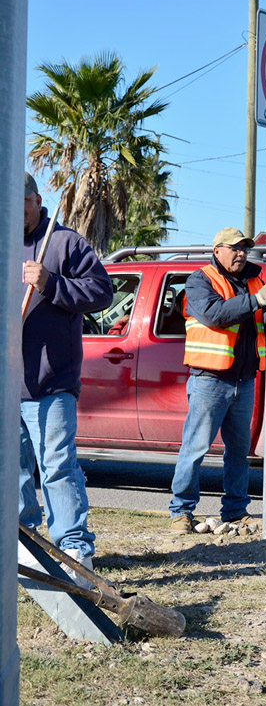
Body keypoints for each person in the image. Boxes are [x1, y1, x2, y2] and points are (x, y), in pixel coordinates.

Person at [21, 172, 113, 582]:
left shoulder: (64, 242)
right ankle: (23, 546)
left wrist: (51, 283)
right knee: (15, 472)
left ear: (37, 200)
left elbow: (101, 293)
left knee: (57, 465)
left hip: (52, 381)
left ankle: (73, 550)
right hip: (8, 384)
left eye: (20, 202)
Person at [169, 227, 266, 533]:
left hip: (244, 380)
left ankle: (235, 511)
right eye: (234, 248)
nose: (240, 253)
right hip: (210, 379)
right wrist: (257, 299)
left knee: (238, 451)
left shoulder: (255, 279)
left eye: (244, 249)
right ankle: (180, 512)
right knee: (195, 448)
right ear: (218, 250)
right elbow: (214, 314)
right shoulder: (200, 279)